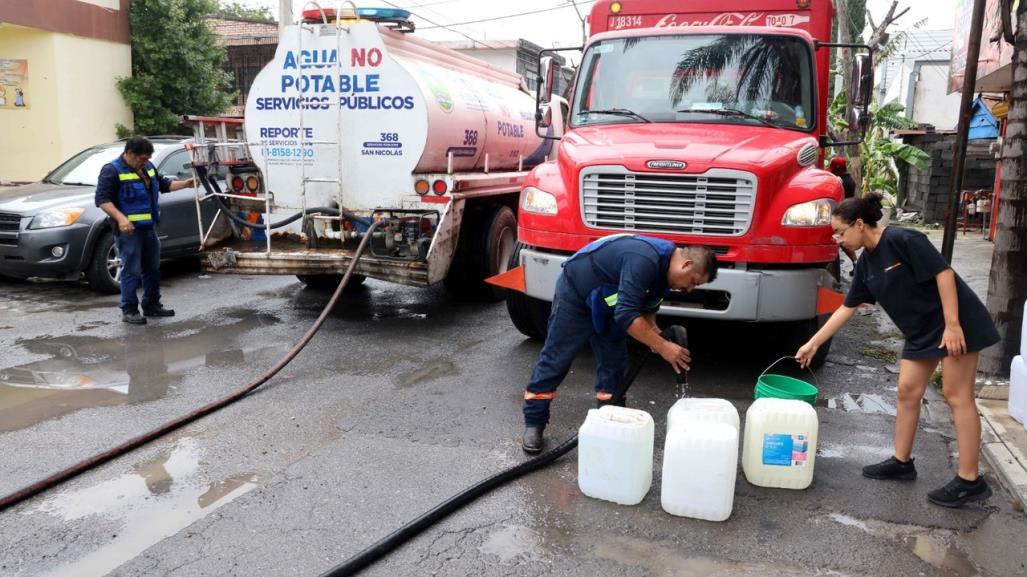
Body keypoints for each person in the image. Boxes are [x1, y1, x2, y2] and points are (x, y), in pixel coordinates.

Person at [795, 194, 999, 508]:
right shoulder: (865, 264)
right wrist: (813, 342)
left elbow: (943, 274)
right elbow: (847, 308)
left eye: (840, 232)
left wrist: (953, 324)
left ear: (860, 224)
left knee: (957, 395)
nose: (837, 239)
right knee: (907, 391)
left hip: (954, 323)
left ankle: (970, 480)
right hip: (921, 332)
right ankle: (902, 462)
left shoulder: (904, 239)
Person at [521, 234, 719, 453]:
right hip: (578, 295)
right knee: (557, 357)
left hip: (611, 304)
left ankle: (610, 422)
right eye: (693, 281)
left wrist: (656, 335)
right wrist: (664, 348)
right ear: (687, 264)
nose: (690, 289)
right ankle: (534, 422)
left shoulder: (666, 275)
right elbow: (627, 315)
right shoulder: (644, 259)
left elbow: (648, 307)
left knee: (614, 363)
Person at [95, 136, 195, 325]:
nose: (146, 162)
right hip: (129, 232)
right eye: (142, 158)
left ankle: (152, 305)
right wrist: (121, 218)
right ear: (130, 154)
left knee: (152, 268)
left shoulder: (147, 168)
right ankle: (130, 310)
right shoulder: (112, 170)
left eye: (148, 158)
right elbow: (102, 200)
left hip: (149, 228)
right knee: (131, 270)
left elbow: (164, 185)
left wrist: (185, 183)